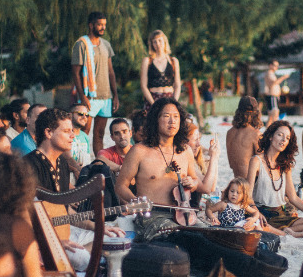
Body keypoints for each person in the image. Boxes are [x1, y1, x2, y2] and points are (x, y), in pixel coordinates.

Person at [25, 108, 125, 267]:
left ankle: (78, 257)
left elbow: (66, 213)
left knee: (116, 240)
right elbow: (23, 217)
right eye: (66, 131)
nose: (73, 136)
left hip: (64, 232)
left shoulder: (62, 163)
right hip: (38, 241)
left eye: (72, 131)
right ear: (48, 133)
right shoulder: (28, 166)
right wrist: (52, 241)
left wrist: (99, 227)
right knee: (83, 258)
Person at [115, 98, 219, 241]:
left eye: (176, 117)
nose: (172, 121)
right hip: (153, 218)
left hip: (185, 215)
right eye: (166, 116)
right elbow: (120, 186)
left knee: (213, 236)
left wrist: (193, 183)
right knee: (191, 240)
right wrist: (135, 201)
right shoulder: (139, 151)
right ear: (155, 119)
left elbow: (198, 183)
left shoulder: (185, 151)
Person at [248, 120, 303, 238]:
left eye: (287, 138)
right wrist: (256, 212)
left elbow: (293, 197)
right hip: (264, 215)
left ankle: (287, 231)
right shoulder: (256, 161)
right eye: (280, 135)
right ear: (270, 137)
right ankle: (284, 231)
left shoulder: (285, 165)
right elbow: (247, 195)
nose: (283, 140)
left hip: (282, 214)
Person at [71, 11, 118, 155]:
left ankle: (99, 162)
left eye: (104, 24)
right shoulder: (81, 44)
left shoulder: (106, 45)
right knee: (83, 131)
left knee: (99, 134)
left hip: (106, 97)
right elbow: (76, 73)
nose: (103, 27)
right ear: (91, 25)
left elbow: (111, 71)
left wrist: (115, 95)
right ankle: (81, 161)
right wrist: (82, 96)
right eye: (99, 24)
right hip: (89, 96)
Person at [140, 30, 181, 111]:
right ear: (151, 44)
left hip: (170, 98)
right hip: (153, 98)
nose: (158, 44)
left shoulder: (173, 61)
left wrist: (174, 101)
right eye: (154, 42)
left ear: (164, 41)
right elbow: (143, 86)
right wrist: (153, 104)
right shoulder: (147, 61)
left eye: (160, 40)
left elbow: (177, 84)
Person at [226, 96, 262, 179]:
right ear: (256, 113)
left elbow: (231, 164)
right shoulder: (256, 134)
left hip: (237, 180)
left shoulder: (229, 133)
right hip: (251, 182)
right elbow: (262, 165)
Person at [264, 60, 290, 127]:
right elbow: (273, 83)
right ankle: (274, 130)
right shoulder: (269, 73)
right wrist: (283, 77)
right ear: (270, 65)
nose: (277, 67)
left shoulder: (272, 73)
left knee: (271, 117)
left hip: (274, 96)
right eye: (275, 65)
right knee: (275, 114)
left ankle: (268, 132)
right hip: (272, 96)